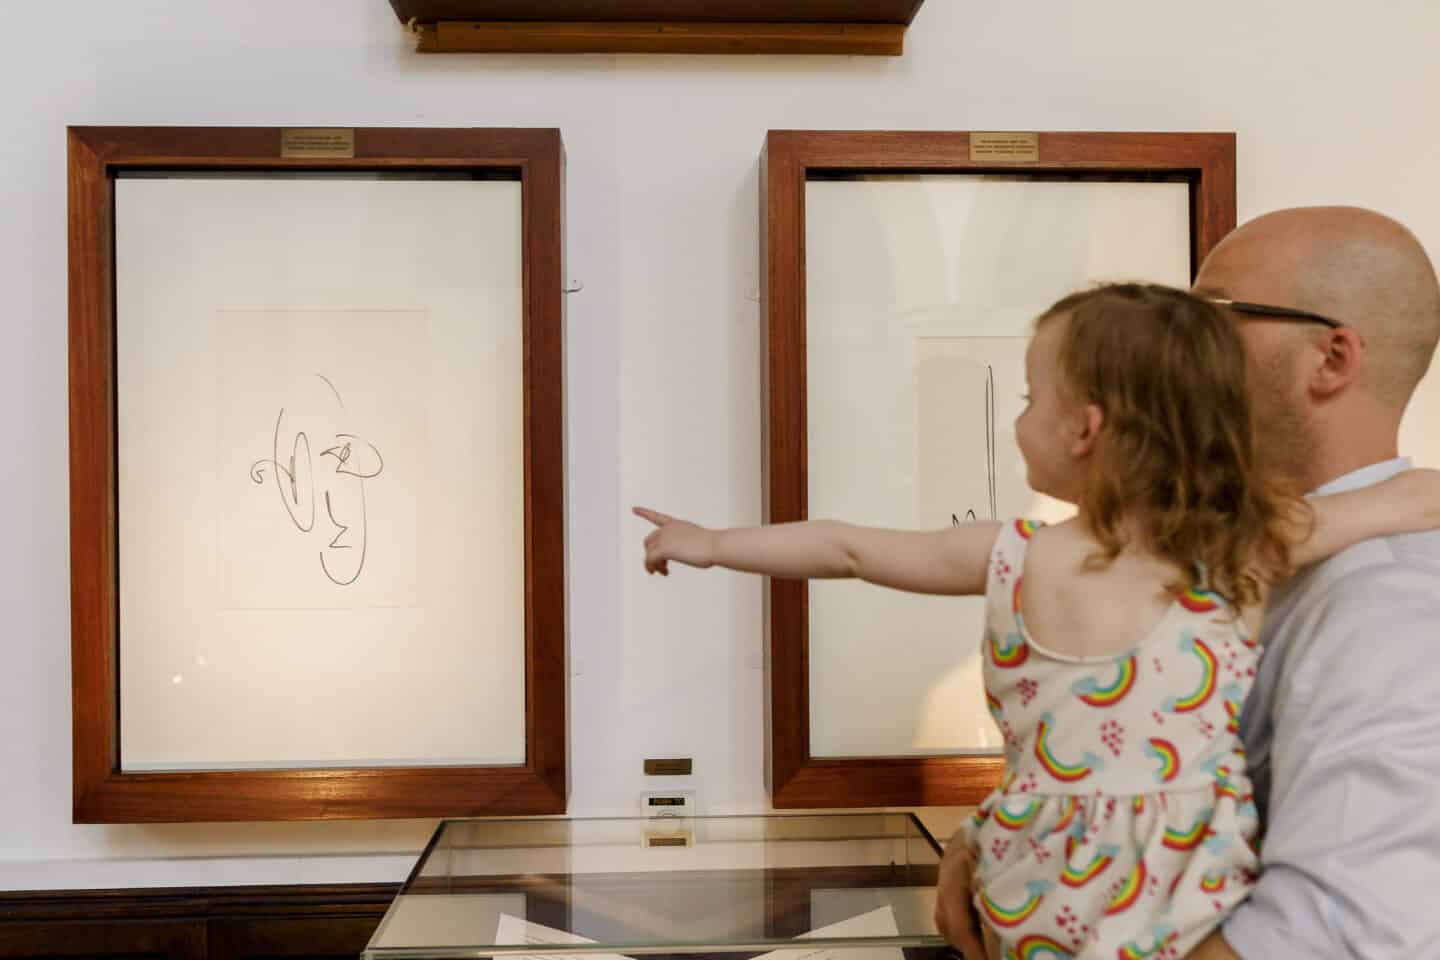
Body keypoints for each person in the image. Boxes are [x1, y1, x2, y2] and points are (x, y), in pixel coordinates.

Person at [635, 277, 1440, 957]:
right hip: (1182, 888)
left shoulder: (1013, 557)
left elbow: (846, 548)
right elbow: (1407, 496)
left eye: (1028, 398)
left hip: (1033, 881)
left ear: (1082, 430)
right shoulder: (1246, 552)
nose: (1018, 418)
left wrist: (714, 542)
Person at [936, 207, 1440, 959]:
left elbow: (1332, 931)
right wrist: (991, 842)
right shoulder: (1201, 557)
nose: (1174, 343)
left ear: (1331, 360)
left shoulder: (1391, 609)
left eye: (1213, 316)